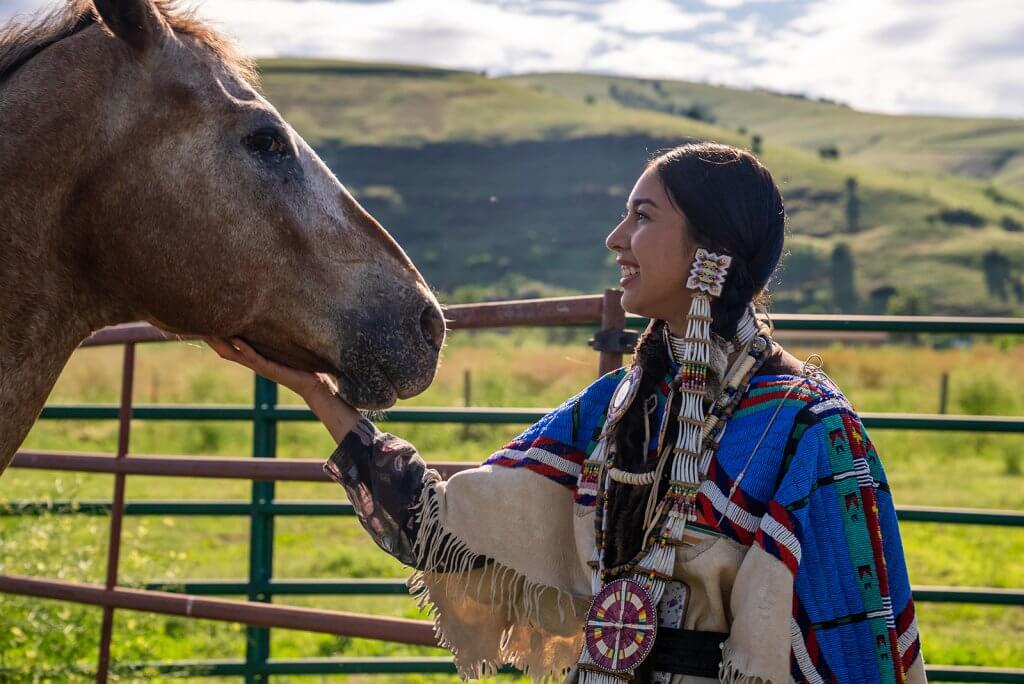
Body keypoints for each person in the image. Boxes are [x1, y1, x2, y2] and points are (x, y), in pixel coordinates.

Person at [207, 142, 925, 684]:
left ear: (713, 250)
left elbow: (857, 643)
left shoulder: (810, 429)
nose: (615, 239)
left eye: (642, 217)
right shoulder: (614, 412)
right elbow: (441, 527)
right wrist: (316, 394)